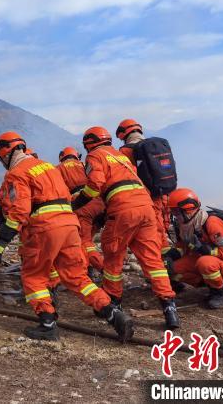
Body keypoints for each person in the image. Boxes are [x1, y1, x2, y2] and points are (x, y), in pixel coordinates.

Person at [0, 132, 133, 341]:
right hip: (69, 224)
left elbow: (20, 210)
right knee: (77, 277)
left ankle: (47, 324)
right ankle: (113, 313)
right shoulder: (48, 166)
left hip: (44, 227)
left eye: (0, 159)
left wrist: (0, 242)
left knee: (34, 277)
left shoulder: (16, 173)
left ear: (4, 153)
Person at [72, 127, 180, 329]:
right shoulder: (120, 156)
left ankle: (114, 300)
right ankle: (169, 308)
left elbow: (95, 184)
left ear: (89, 144)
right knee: (153, 261)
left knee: (113, 256)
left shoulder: (95, 155)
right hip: (146, 208)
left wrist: (77, 203)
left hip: (124, 209)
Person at [166, 188, 223, 309]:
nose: (174, 215)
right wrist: (172, 254)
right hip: (202, 259)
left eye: (176, 212)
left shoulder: (211, 223)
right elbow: (182, 246)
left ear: (188, 209)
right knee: (172, 268)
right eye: (173, 212)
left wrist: (205, 250)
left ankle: (219, 292)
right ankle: (208, 283)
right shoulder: (184, 226)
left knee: (206, 263)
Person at [115, 119, 173, 257]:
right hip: (164, 191)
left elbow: (125, 174)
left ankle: (161, 259)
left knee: (153, 226)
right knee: (161, 224)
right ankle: (165, 254)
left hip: (145, 194)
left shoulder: (126, 150)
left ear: (123, 134)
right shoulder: (156, 146)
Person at [57, 147, 105, 273]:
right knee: (88, 239)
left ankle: (103, 268)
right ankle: (88, 267)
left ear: (62, 157)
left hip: (82, 205)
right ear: (76, 156)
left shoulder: (59, 168)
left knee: (84, 242)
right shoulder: (84, 164)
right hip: (100, 203)